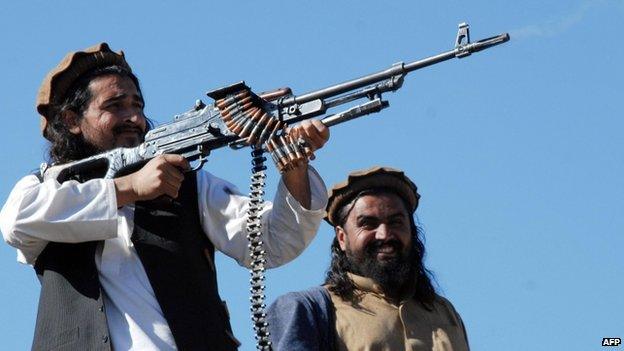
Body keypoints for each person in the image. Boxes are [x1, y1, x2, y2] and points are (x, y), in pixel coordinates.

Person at [0, 43, 330, 351]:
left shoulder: (190, 185)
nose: (134, 118)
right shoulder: (47, 186)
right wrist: (130, 188)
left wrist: (294, 167)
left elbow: (272, 242)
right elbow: (15, 221)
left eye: (137, 105)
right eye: (115, 106)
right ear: (73, 121)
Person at [267, 166, 470, 351]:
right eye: (368, 224)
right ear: (342, 238)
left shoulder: (445, 313)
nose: (384, 234)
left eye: (396, 222)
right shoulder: (311, 309)